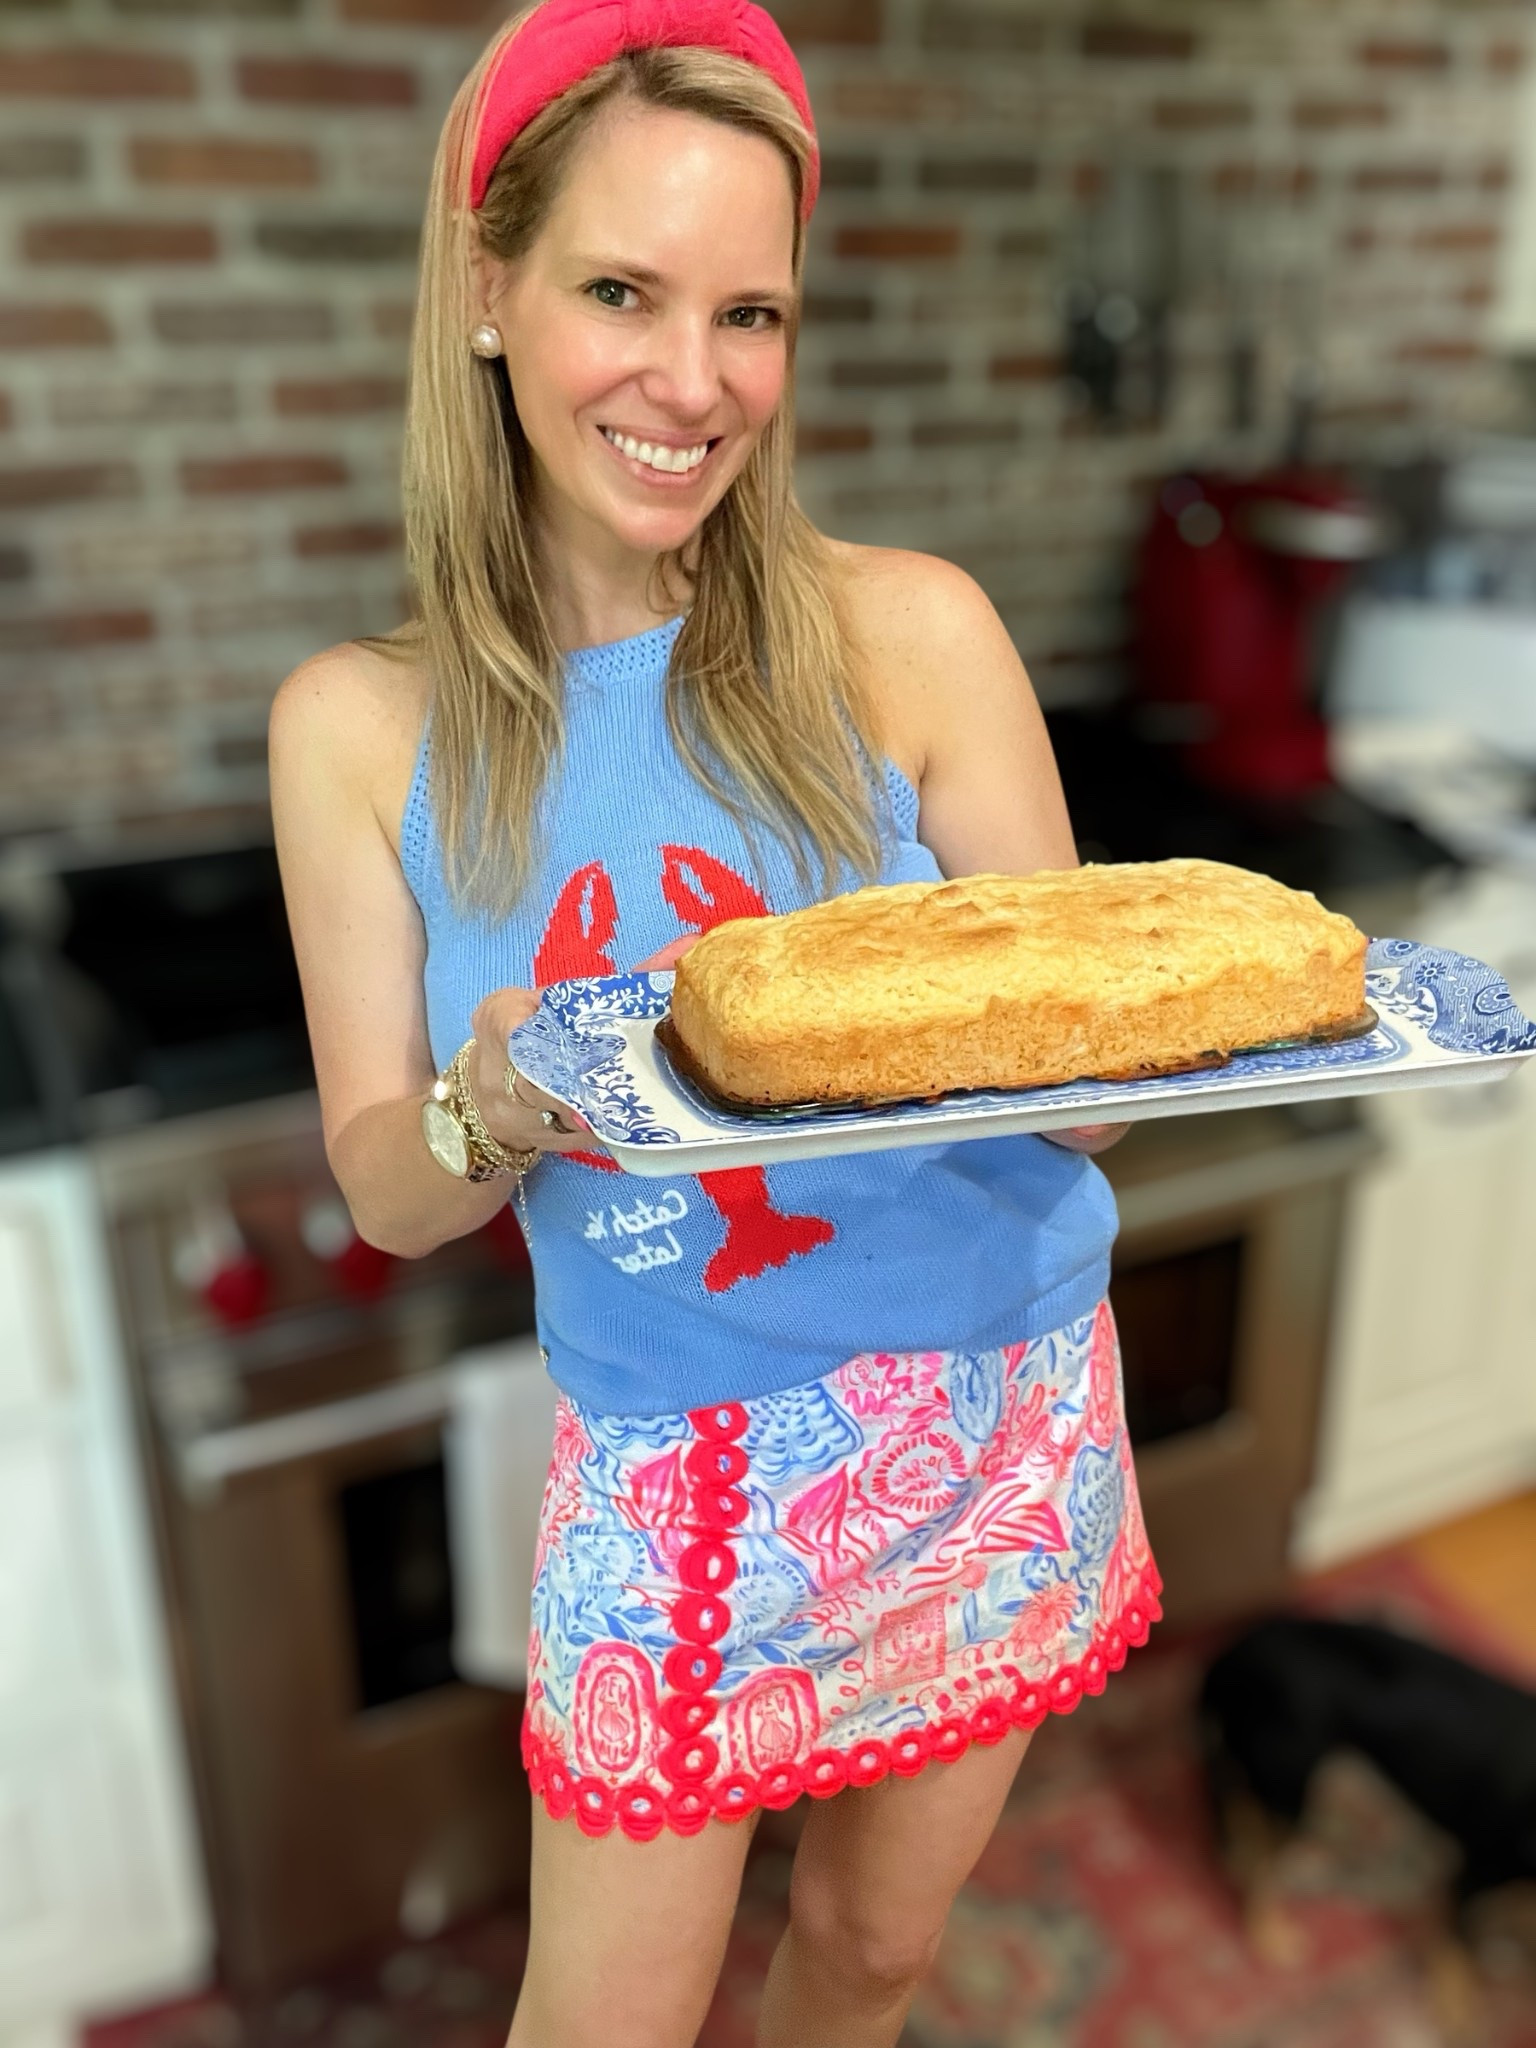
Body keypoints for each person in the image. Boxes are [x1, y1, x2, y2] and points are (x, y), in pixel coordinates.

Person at [269, 3, 1161, 2042]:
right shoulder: (360, 733)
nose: (694, 382)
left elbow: (1097, 1098)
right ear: (486, 288)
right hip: (678, 1470)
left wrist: (1077, 1029)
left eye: (750, 313)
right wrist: (492, 1105)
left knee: (875, 1950)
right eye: (621, 292)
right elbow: (389, 1191)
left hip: (999, 1401)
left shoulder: (914, 633)